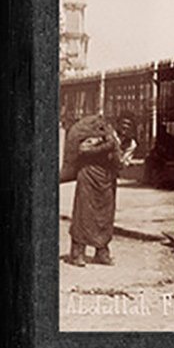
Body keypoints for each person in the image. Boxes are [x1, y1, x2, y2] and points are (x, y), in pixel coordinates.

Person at [66, 114, 125, 266]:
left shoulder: (115, 138)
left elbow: (118, 157)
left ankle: (102, 251)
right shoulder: (93, 138)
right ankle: (77, 252)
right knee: (84, 214)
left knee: (105, 217)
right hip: (89, 177)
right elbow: (83, 151)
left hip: (106, 180)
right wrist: (106, 145)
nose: (126, 127)